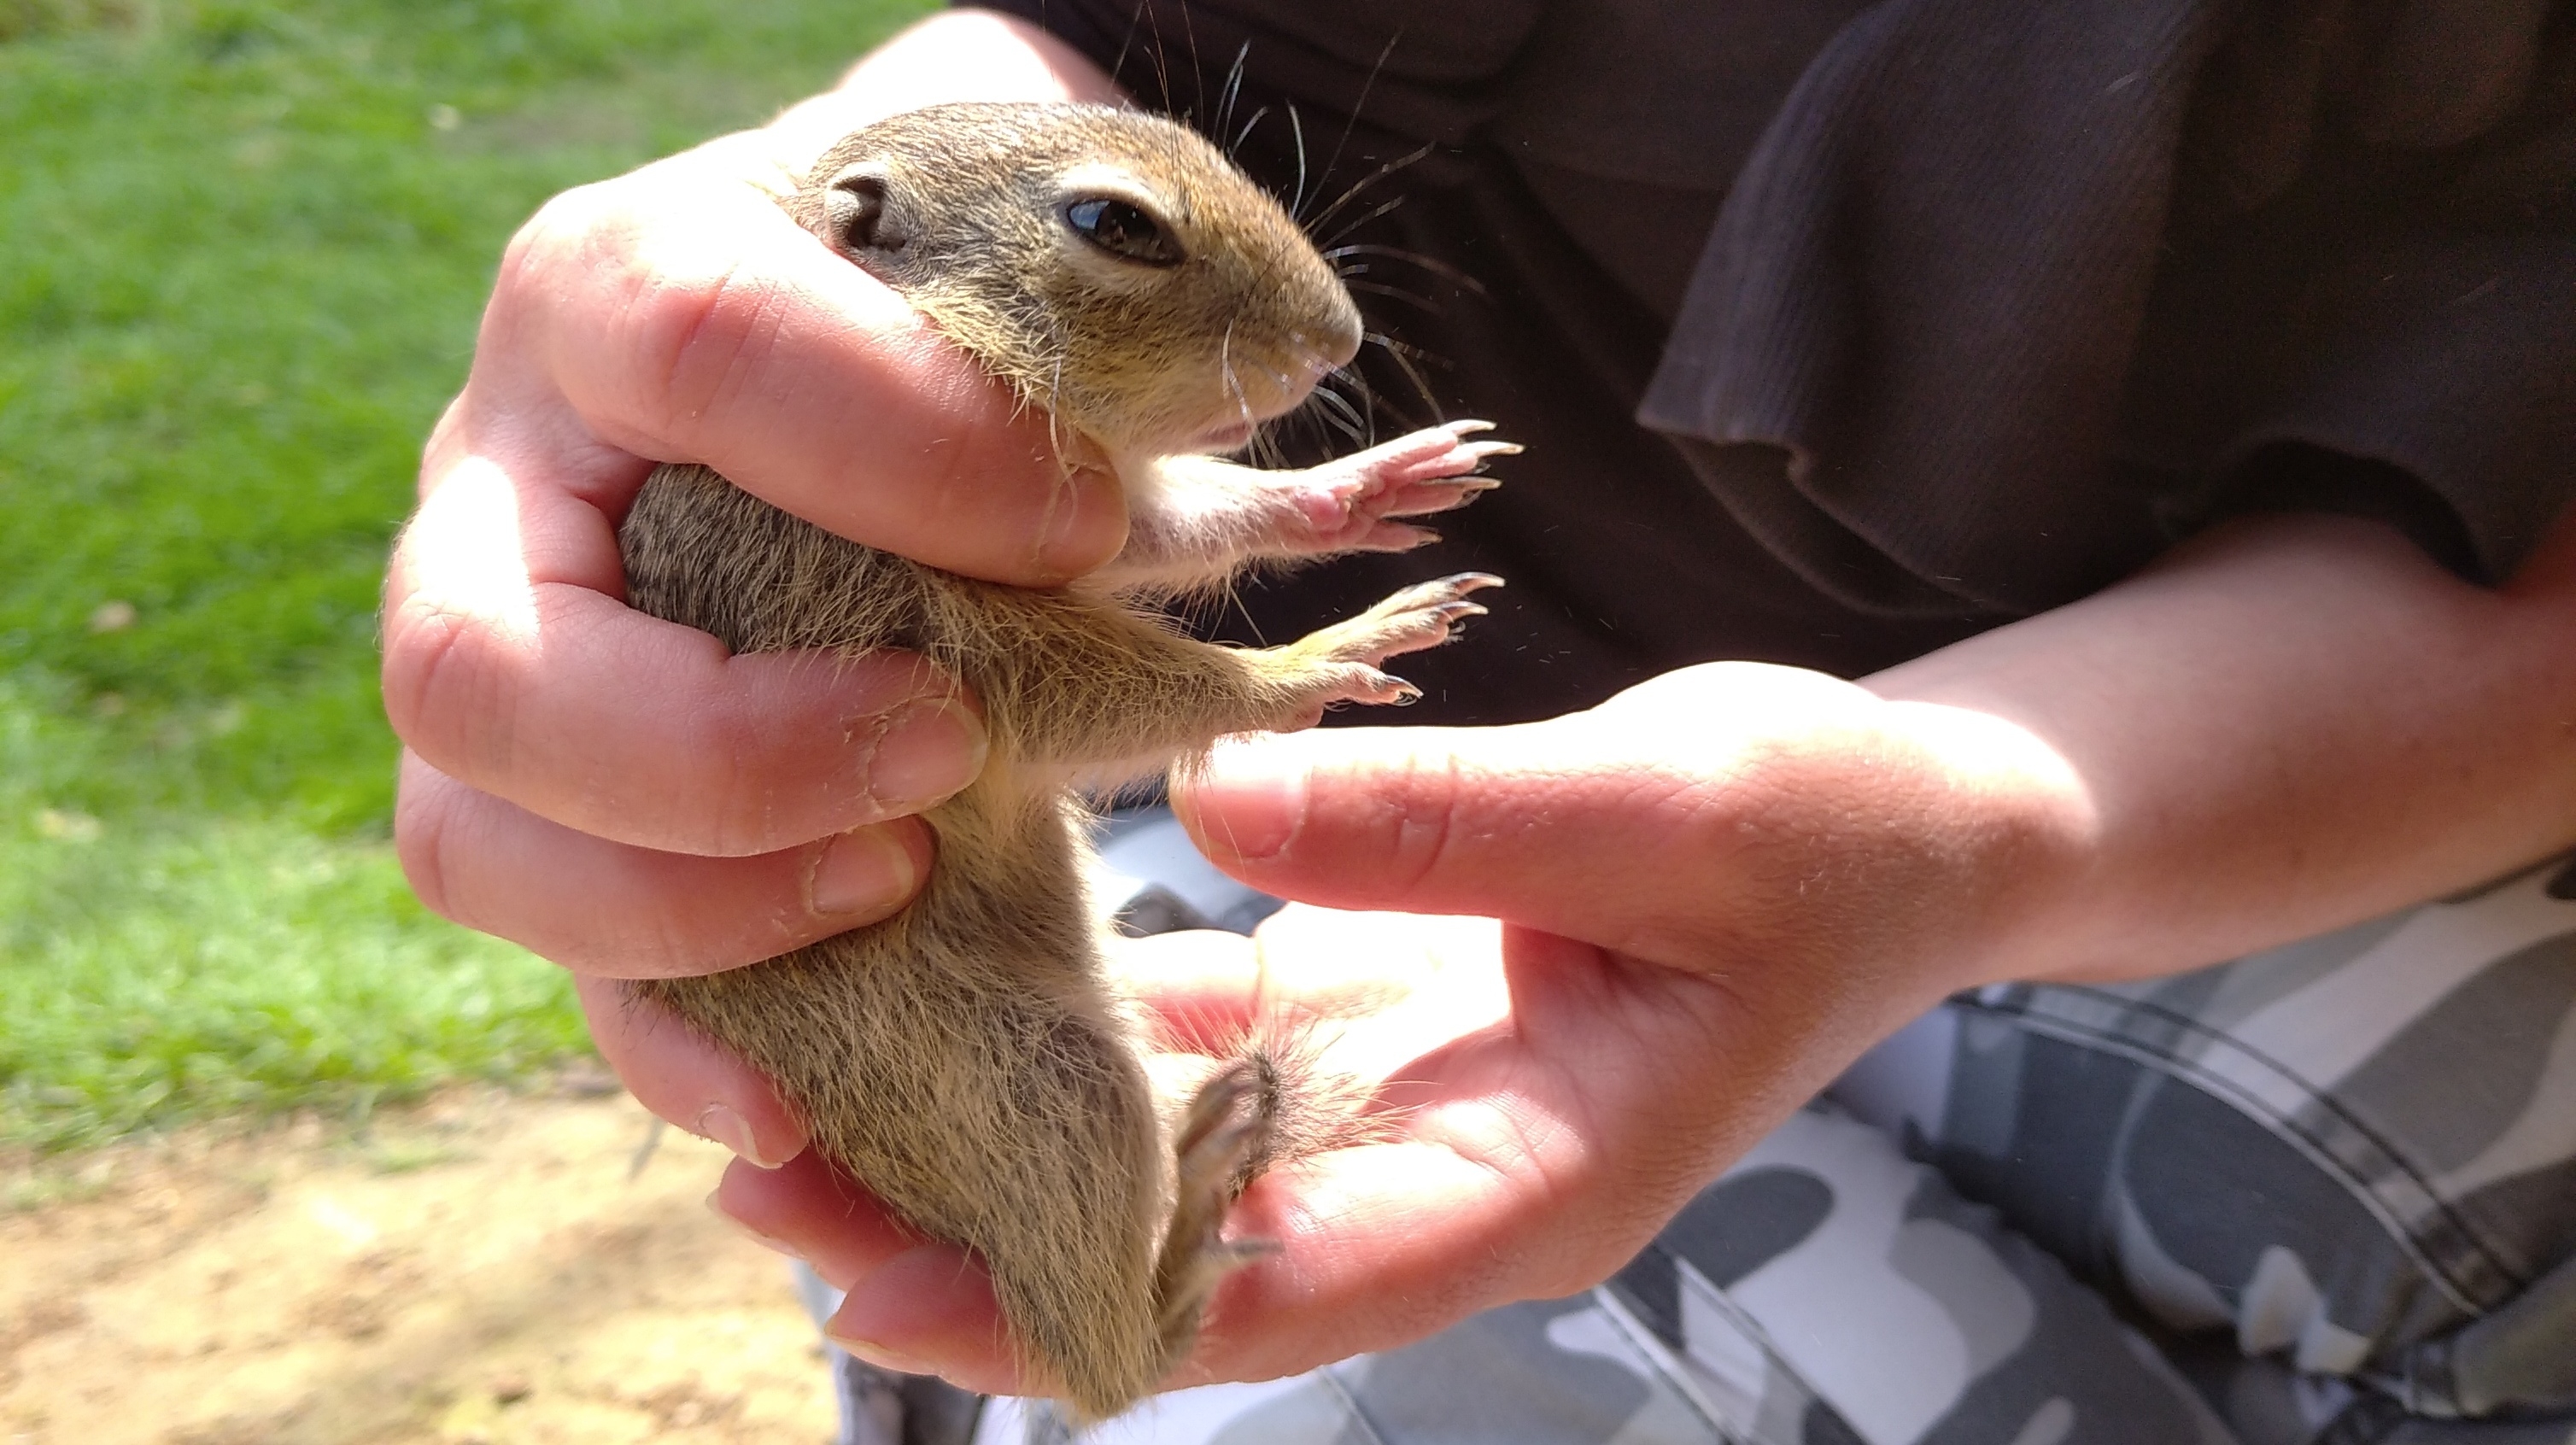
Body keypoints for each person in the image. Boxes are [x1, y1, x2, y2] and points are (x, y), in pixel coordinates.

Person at [381, 3, 2576, 1440]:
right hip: (1264, 838)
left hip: (2308, 778)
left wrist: (1986, 823)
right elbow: (1073, 81)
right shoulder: (922, 331)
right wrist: (693, 324)